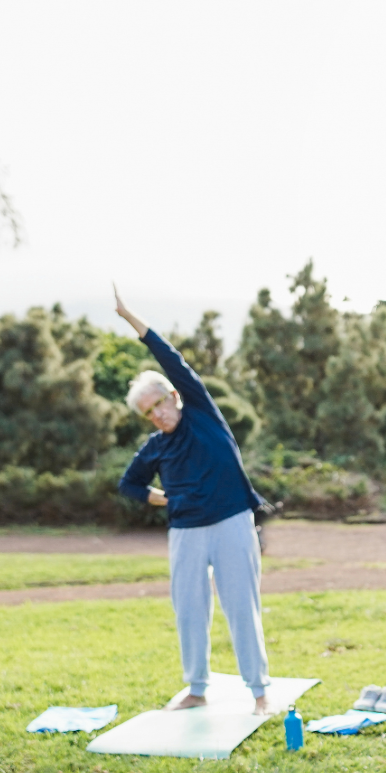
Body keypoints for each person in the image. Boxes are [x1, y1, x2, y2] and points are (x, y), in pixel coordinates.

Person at [114, 287, 272, 714]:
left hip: (231, 521)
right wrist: (162, 499)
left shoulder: (201, 411)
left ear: (174, 397)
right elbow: (128, 485)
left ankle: (259, 693)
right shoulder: (154, 447)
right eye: (149, 412)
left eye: (160, 404)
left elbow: (172, 360)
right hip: (185, 530)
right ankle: (197, 689)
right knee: (189, 610)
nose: (158, 415)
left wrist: (131, 319)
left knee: (241, 606)